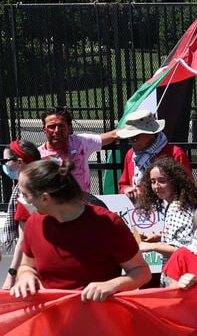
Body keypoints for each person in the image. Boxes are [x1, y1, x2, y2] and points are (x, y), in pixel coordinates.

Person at [9, 159, 151, 301]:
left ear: (46, 198)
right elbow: (27, 266)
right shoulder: (34, 223)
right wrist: (26, 275)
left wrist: (112, 284)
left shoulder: (107, 224)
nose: (21, 200)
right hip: (51, 318)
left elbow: (142, 272)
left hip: (99, 318)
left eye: (25, 194)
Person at [135, 157, 197, 276]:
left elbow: (184, 250)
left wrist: (152, 246)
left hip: (182, 276)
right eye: (153, 182)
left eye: (162, 181)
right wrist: (159, 237)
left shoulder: (177, 208)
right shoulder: (178, 203)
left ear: (175, 181)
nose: (156, 186)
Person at [117, 109, 191, 206]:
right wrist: (127, 190)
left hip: (169, 209)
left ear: (151, 133)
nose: (131, 141)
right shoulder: (130, 154)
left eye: (135, 137)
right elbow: (123, 183)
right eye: (129, 138)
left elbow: (187, 185)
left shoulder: (175, 153)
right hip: (136, 211)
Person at [38, 106, 119, 193]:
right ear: (44, 130)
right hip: (52, 204)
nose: (57, 130)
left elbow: (113, 135)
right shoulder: (38, 155)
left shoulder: (81, 143)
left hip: (82, 201)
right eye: (52, 127)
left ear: (70, 128)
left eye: (61, 126)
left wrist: (133, 128)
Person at [1, 140, 41, 290]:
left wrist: (11, 276)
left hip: (40, 265)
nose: (4, 165)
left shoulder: (27, 196)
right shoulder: (50, 181)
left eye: (5, 160)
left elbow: (23, 241)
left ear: (19, 162)